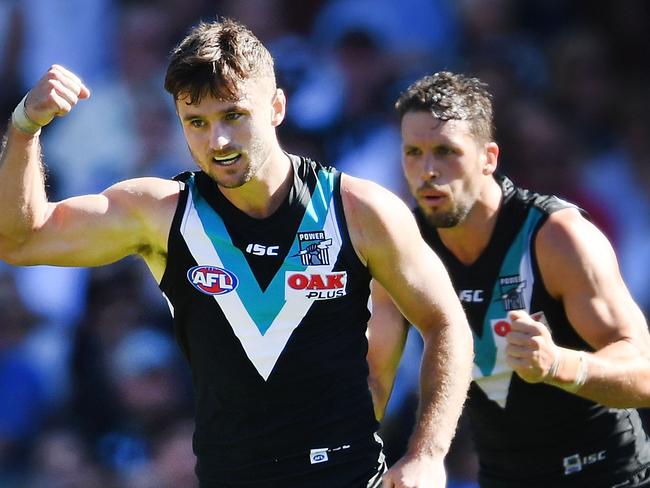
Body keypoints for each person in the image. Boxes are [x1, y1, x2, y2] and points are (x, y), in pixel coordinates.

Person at [0, 20, 473, 488]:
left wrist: (426, 455)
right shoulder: (160, 213)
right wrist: (25, 127)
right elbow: (21, 239)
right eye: (197, 123)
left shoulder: (359, 210)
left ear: (276, 107)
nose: (217, 142)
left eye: (233, 116)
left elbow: (446, 322)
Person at [367, 71, 650, 488]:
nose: (427, 171)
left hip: (606, 475)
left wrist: (558, 363)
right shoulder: (405, 247)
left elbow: (644, 374)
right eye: (413, 152)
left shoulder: (557, 238)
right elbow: (375, 380)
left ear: (488, 157)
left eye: (446, 151)